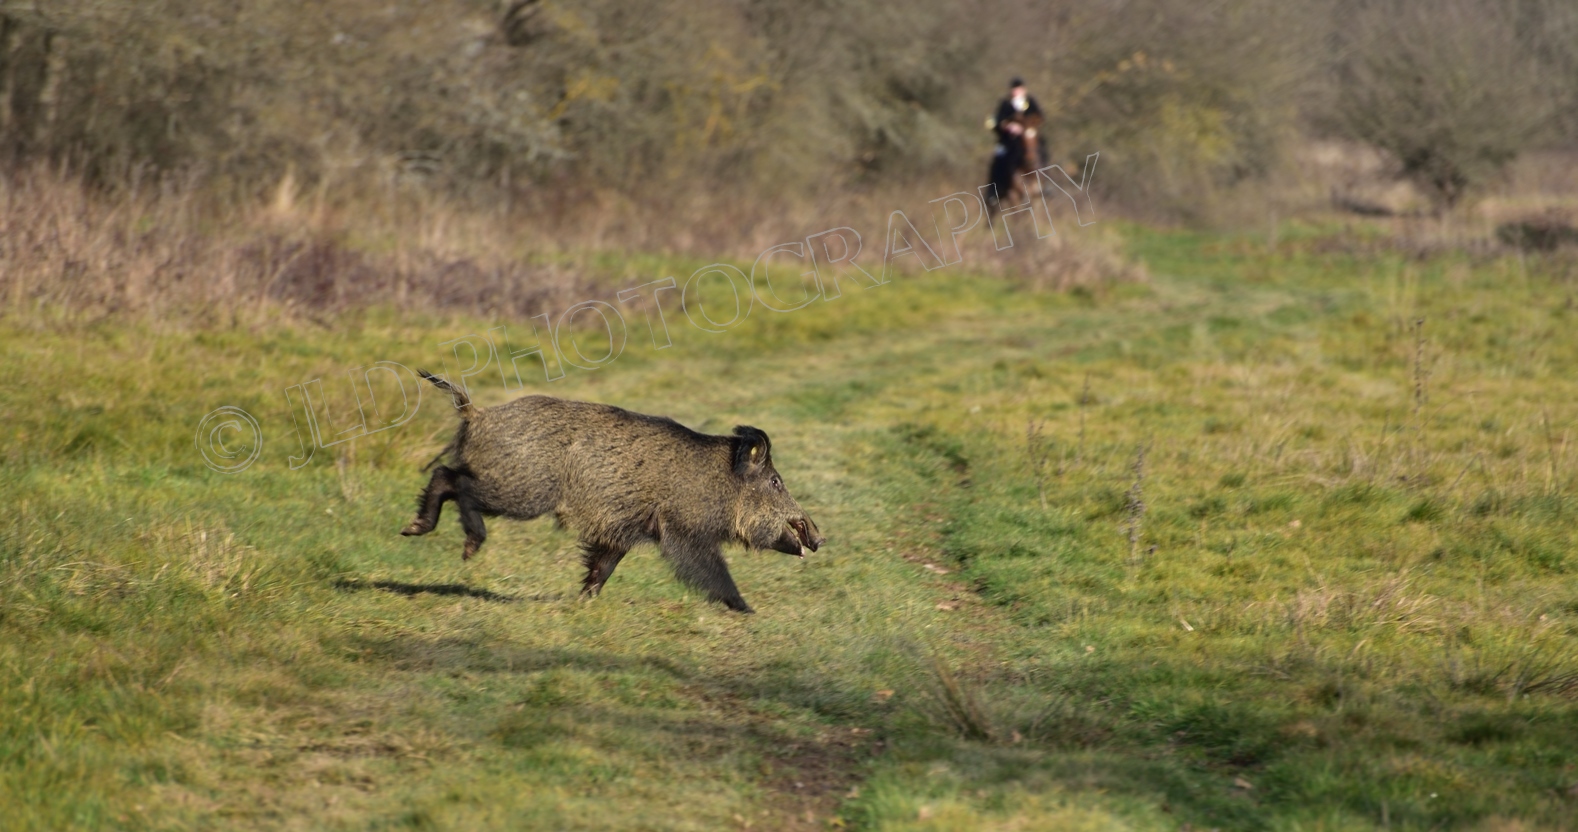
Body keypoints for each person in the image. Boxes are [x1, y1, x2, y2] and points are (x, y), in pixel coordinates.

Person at [985, 77, 1046, 209]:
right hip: (1009, 141)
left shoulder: (1030, 102)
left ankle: (1045, 184)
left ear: (1023, 90)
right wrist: (1009, 126)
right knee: (998, 159)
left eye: (1019, 89)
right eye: (1014, 90)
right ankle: (994, 191)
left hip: (1026, 140)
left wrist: (1029, 125)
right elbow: (998, 121)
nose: (1016, 92)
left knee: (1042, 149)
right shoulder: (1005, 104)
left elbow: (1039, 116)